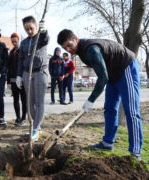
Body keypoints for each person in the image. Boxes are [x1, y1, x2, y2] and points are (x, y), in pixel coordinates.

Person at [57, 29, 143, 161]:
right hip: (112, 74)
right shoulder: (81, 52)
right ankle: (107, 143)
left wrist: (91, 99)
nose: (68, 49)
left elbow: (102, 77)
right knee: (109, 108)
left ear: (75, 38)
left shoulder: (91, 50)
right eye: (64, 48)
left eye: (69, 45)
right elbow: (104, 74)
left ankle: (135, 153)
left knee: (131, 111)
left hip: (126, 68)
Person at [16, 16, 50, 141]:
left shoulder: (40, 38)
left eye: (31, 28)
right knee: (29, 102)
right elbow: (20, 60)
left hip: (40, 73)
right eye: (26, 29)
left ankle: (35, 128)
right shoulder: (24, 43)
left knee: (39, 102)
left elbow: (46, 39)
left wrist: (44, 30)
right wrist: (19, 75)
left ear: (36, 26)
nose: (29, 31)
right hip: (27, 74)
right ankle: (36, 127)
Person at [7, 33, 26, 126]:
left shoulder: (23, 51)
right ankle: (17, 117)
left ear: (19, 40)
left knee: (24, 99)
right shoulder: (11, 52)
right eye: (13, 42)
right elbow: (9, 66)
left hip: (22, 79)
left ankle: (23, 118)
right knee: (15, 99)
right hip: (13, 79)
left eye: (16, 41)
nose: (14, 43)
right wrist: (8, 80)